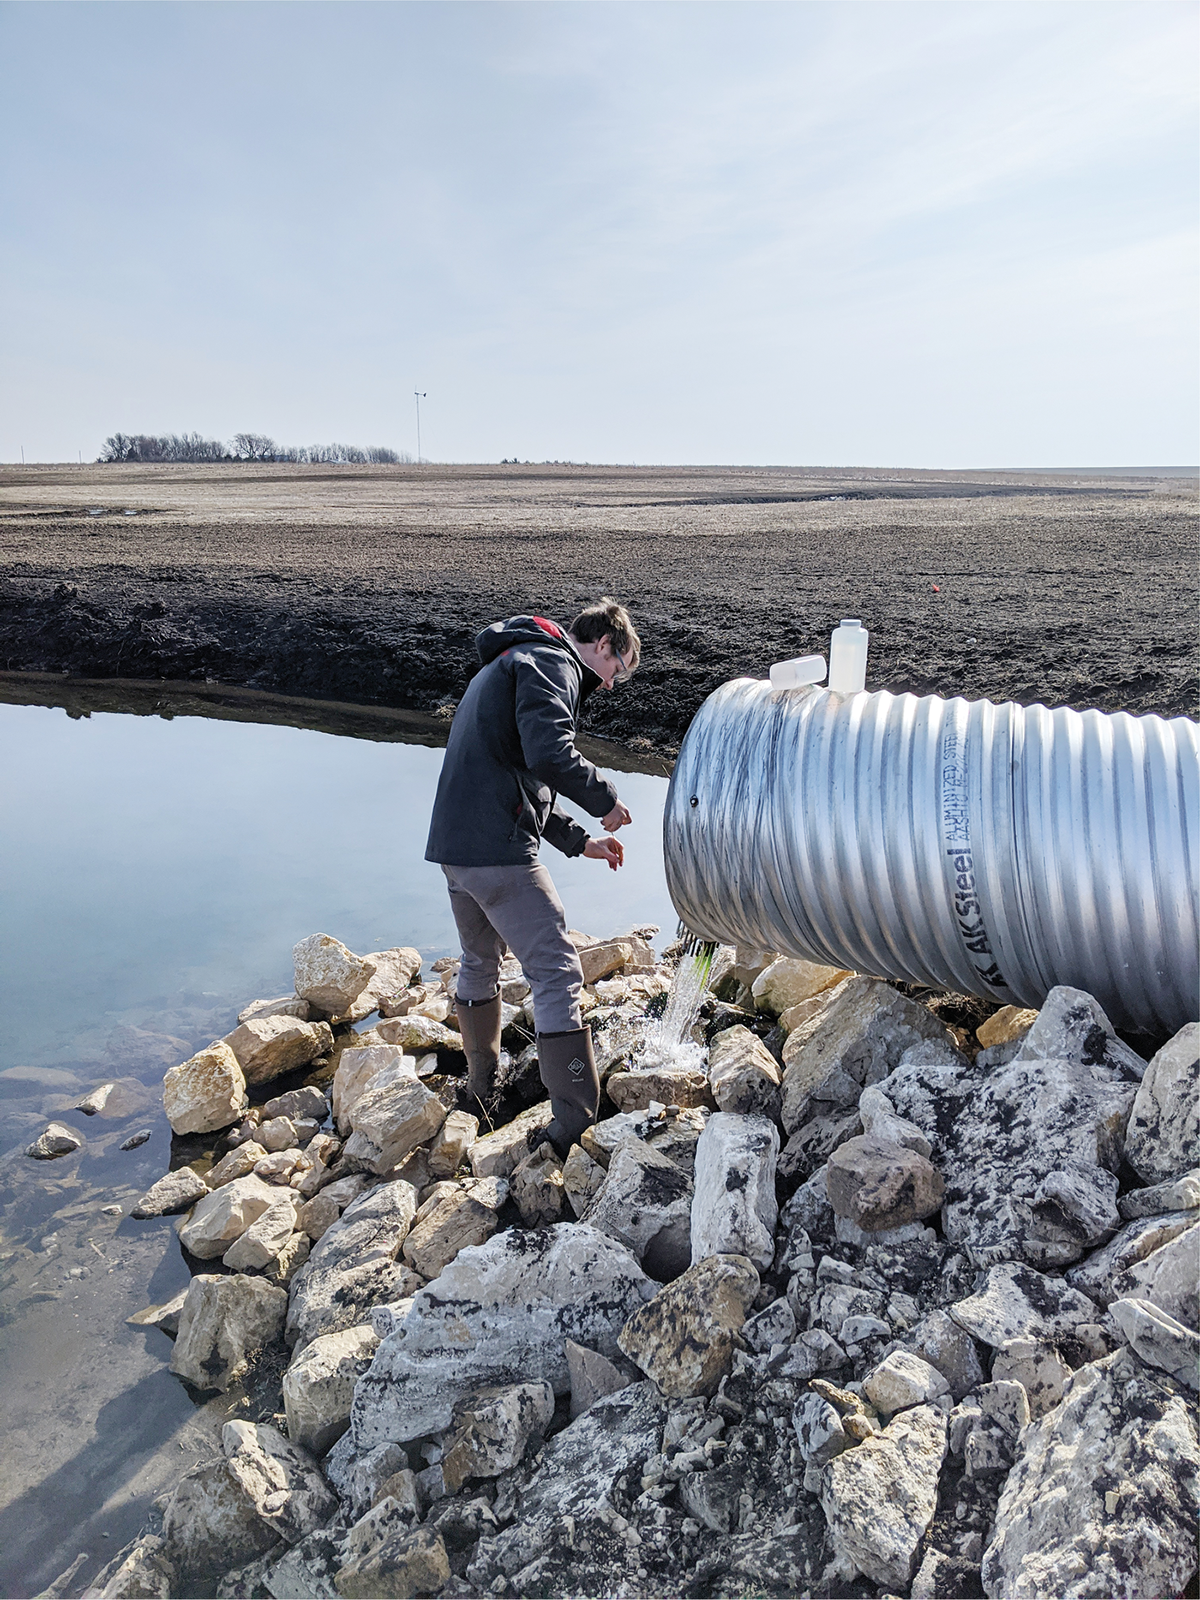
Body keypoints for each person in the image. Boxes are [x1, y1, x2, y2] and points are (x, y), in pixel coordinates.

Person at [425, 599, 640, 1156]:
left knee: (479, 961)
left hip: (456, 850)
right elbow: (550, 753)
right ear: (603, 646)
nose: (611, 686)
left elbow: (517, 769)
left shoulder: (513, 659)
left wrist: (579, 842)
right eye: (617, 670)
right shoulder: (553, 662)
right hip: (497, 852)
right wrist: (606, 801)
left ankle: (481, 1090)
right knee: (557, 970)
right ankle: (574, 1123)